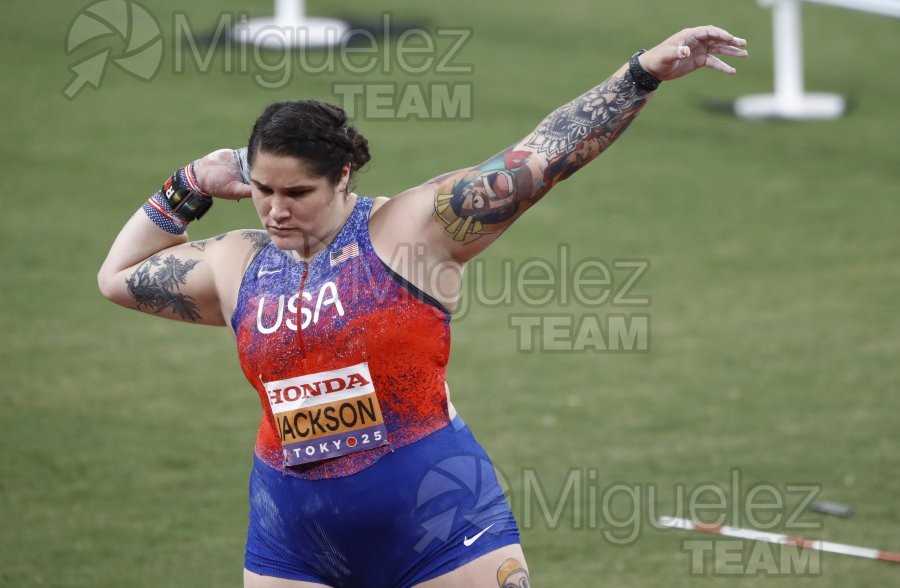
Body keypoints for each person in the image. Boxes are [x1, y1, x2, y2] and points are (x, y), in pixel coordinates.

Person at [98, 25, 747, 588]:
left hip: (439, 526)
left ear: (343, 177)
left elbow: (542, 155)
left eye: (297, 191)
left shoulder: (413, 232)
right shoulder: (237, 260)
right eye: (262, 189)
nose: (275, 209)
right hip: (289, 541)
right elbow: (118, 276)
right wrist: (188, 184)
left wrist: (643, 72)